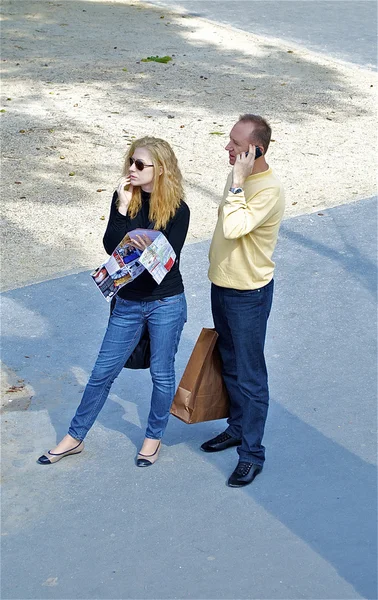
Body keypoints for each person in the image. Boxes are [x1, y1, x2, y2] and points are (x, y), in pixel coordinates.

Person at [38, 137, 190, 467]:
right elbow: (111, 246)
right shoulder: (124, 199)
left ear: (160, 169)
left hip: (165, 302)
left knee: (162, 376)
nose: (131, 170)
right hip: (128, 302)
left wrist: (139, 247)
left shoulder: (178, 209)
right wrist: (121, 208)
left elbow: (166, 263)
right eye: (130, 163)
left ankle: (153, 436)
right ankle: (74, 437)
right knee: (101, 374)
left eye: (139, 165)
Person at [201, 114, 285, 487]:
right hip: (223, 285)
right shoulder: (238, 175)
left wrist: (237, 181)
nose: (227, 147)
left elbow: (234, 226)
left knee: (250, 376)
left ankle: (252, 454)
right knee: (230, 364)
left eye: (235, 144)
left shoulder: (266, 190)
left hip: (248, 294)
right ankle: (236, 428)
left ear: (256, 150)